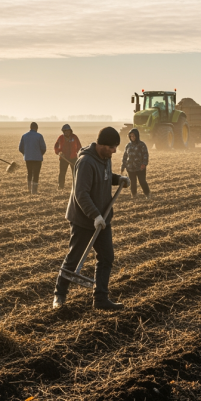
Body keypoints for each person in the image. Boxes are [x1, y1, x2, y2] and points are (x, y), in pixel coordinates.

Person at [53, 127, 130, 310]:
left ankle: (100, 299)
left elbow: (104, 177)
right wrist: (94, 216)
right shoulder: (86, 161)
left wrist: (118, 179)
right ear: (102, 145)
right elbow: (81, 194)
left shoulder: (105, 158)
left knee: (106, 257)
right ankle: (59, 295)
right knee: (74, 258)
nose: (114, 151)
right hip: (83, 219)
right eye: (112, 147)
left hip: (103, 219)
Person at [121, 128, 151, 199]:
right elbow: (125, 156)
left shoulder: (142, 145)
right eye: (131, 136)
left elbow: (145, 155)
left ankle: (147, 194)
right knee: (133, 183)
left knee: (142, 181)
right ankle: (134, 195)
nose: (132, 137)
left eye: (134, 136)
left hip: (140, 167)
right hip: (130, 168)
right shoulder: (128, 145)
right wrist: (123, 166)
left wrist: (144, 164)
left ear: (137, 136)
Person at [19, 122, 47, 194]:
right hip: (37, 158)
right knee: (36, 174)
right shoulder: (39, 136)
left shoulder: (24, 136)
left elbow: (20, 148)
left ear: (30, 127)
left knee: (29, 173)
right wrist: (40, 154)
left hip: (28, 158)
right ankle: (34, 191)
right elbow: (43, 148)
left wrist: (25, 154)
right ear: (37, 128)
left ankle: (28, 188)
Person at [54, 124, 81, 190]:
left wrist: (79, 155)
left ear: (70, 130)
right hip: (64, 158)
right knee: (62, 173)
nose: (66, 132)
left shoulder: (74, 137)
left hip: (74, 158)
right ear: (63, 131)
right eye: (65, 131)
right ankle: (60, 186)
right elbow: (56, 146)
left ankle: (76, 187)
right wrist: (59, 152)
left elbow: (79, 147)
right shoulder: (60, 137)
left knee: (75, 173)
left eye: (67, 131)